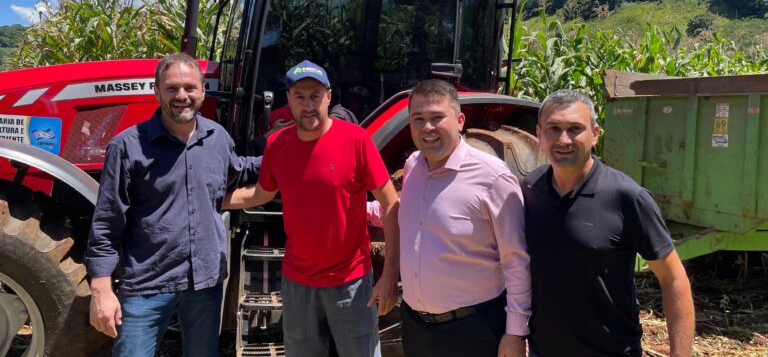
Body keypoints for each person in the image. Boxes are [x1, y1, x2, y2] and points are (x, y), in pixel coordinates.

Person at [85, 53, 258, 356]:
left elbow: (238, 170)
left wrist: (291, 151)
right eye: (172, 88)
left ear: (202, 91)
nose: (182, 96)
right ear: (156, 91)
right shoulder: (127, 147)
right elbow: (106, 224)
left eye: (190, 88)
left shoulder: (217, 138)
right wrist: (101, 289)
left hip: (204, 282)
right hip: (147, 284)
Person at [225, 60, 400, 357]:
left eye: (315, 96)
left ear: (328, 97)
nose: (308, 105)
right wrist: (214, 200)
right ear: (289, 100)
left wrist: (390, 275)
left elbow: (391, 205)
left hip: (351, 282)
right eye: (300, 96)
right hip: (298, 285)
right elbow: (261, 193)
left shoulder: (355, 139)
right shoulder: (278, 144)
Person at [522, 89, 695, 357]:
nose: (564, 139)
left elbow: (673, 278)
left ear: (595, 134)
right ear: (539, 134)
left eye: (575, 129)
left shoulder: (626, 197)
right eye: (553, 128)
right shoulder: (529, 190)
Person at [395, 79, 531, 357]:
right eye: (418, 119)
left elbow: (516, 260)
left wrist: (516, 333)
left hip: (472, 330)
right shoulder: (413, 166)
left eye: (437, 117)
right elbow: (409, 213)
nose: (427, 127)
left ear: (459, 121)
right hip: (415, 326)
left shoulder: (492, 177)